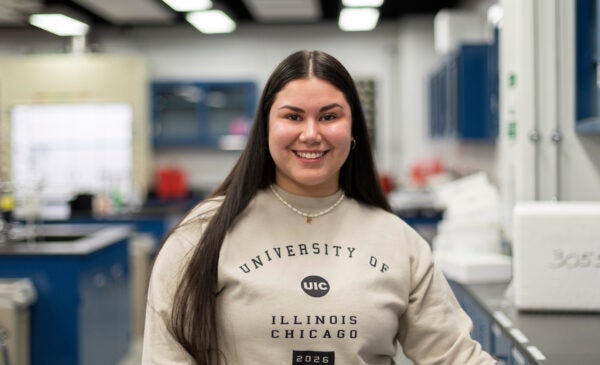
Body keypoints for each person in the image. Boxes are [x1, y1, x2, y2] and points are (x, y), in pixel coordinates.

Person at [142, 50, 497, 365]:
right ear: (266, 127)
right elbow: (166, 356)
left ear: (354, 127)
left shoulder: (398, 242)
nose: (311, 133)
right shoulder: (203, 233)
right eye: (293, 117)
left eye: (329, 116)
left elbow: (454, 356)